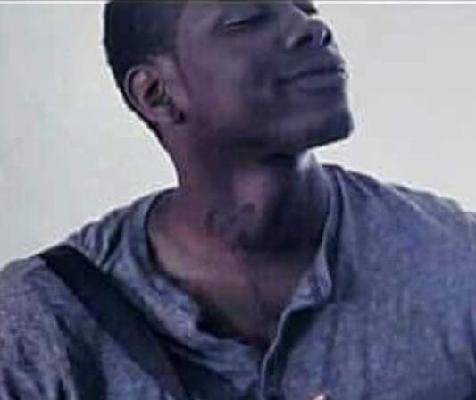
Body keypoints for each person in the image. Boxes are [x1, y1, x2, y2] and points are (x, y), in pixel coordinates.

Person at [1, 1, 476, 399]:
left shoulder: (457, 259)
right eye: (247, 19)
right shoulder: (38, 323)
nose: (310, 27)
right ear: (157, 94)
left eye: (307, 6)